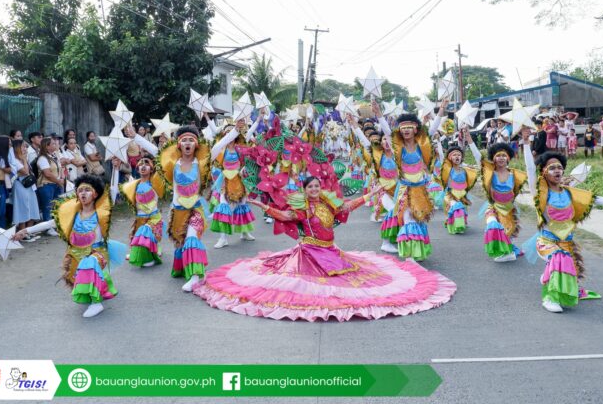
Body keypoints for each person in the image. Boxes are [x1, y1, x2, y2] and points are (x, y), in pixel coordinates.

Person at [191, 176, 458, 321]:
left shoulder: (329, 205)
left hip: (331, 250)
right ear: (305, 190)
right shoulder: (301, 209)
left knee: (352, 278)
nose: (315, 189)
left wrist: (373, 194)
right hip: (308, 252)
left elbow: (349, 207)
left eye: (318, 186)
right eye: (311, 187)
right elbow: (284, 218)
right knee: (311, 287)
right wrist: (263, 206)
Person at [522, 143, 603, 313]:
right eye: (551, 167)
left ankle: (552, 277)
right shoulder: (540, 192)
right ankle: (549, 298)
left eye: (559, 167)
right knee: (559, 258)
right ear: (544, 171)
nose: (556, 171)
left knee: (569, 268)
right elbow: (530, 170)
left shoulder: (569, 193)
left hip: (567, 243)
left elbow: (594, 199)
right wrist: (526, 143)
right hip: (546, 242)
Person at [14, 174, 124, 318]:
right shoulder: (72, 215)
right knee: (80, 275)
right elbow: (48, 223)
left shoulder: (101, 213)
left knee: (89, 264)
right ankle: (104, 285)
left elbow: (113, 191)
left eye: (87, 190)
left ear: (96, 193)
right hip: (76, 254)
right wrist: (25, 231)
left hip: (98, 252)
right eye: (80, 190)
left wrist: (115, 168)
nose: (83, 193)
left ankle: (96, 303)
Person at [135, 125, 211, 292]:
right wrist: (134, 135)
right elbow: (155, 151)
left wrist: (236, 129)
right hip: (177, 211)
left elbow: (219, 145)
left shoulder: (201, 162)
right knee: (180, 242)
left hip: (196, 210)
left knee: (192, 238)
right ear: (179, 144)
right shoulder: (173, 163)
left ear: (196, 144)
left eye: (191, 140)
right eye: (184, 140)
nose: (188, 143)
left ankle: (196, 276)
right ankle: (189, 269)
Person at [373, 100, 441, 262]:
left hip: (421, 191)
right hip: (405, 190)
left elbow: (431, 130)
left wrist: (442, 110)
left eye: (409, 128)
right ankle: (409, 253)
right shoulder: (397, 147)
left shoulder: (420, 145)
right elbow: (388, 133)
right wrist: (379, 114)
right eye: (402, 128)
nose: (406, 131)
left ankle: (418, 251)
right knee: (408, 218)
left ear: (415, 129)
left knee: (418, 219)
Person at [466, 131, 526, 262]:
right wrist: (470, 140)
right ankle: (500, 253)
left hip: (509, 210)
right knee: (493, 225)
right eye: (498, 155)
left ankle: (507, 250)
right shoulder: (490, 173)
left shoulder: (514, 175)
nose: (501, 158)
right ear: (493, 158)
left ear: (509, 158)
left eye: (504, 156)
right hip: (493, 208)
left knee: (507, 234)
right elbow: (478, 158)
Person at [206, 112, 263, 249]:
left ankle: (244, 233)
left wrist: (259, 118)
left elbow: (249, 133)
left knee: (242, 206)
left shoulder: (240, 148)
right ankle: (223, 238)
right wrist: (208, 119)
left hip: (239, 180)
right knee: (223, 208)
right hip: (226, 182)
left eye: (232, 133)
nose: (229, 136)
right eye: (227, 133)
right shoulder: (220, 149)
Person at [350, 117, 399, 253]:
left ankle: (396, 238)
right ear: (380, 142)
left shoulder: (398, 155)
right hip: (382, 189)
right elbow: (365, 141)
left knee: (400, 213)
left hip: (398, 189)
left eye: (389, 140)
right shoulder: (377, 155)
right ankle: (386, 242)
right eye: (384, 139)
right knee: (392, 212)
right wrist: (355, 125)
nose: (386, 142)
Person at [122, 156, 166, 268]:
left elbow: (163, 167)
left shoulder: (156, 182)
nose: (143, 166)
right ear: (137, 169)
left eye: (146, 164)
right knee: (139, 240)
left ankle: (154, 250)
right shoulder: (134, 185)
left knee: (148, 234)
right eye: (141, 164)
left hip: (153, 217)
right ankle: (145, 252)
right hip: (140, 217)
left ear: (151, 169)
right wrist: (116, 170)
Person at [11, 140, 40, 235]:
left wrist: (24, 159)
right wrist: (24, 160)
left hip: (30, 186)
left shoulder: (23, 159)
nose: (25, 149)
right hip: (20, 185)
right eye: (23, 147)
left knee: (32, 206)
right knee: (22, 208)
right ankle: (22, 233)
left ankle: (29, 231)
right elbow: (25, 172)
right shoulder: (14, 160)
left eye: (25, 147)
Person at [35, 137, 65, 224]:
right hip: (46, 185)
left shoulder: (54, 156)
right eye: (53, 143)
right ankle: (48, 227)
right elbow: (47, 174)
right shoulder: (42, 158)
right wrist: (58, 181)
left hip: (57, 184)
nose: (55, 144)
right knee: (47, 207)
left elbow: (60, 168)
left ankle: (56, 224)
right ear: (47, 146)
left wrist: (62, 178)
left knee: (57, 206)